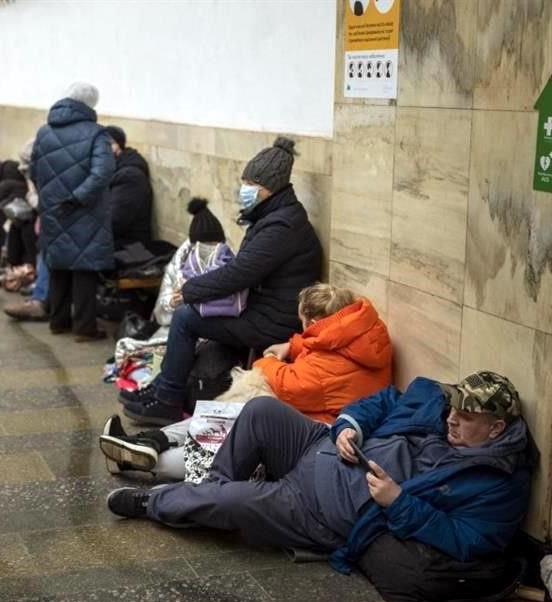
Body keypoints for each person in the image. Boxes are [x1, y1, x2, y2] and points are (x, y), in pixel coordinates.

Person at [107, 371, 536, 578]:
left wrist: (399, 501)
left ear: (496, 429)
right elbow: (382, 400)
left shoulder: (497, 483)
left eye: (464, 419)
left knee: (237, 502)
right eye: (453, 412)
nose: (451, 421)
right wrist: (351, 426)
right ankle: (208, 496)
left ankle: (158, 502)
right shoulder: (438, 407)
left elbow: (468, 540)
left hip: (320, 510)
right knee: (260, 410)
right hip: (320, 445)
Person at [122, 136, 322, 424]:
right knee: (194, 316)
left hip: (274, 321)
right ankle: (162, 388)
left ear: (269, 189)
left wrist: (192, 290)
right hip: (263, 310)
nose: (244, 190)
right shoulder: (276, 216)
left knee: (186, 317)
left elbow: (240, 273)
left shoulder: (282, 226)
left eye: (250, 185)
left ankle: (166, 399)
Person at [99, 283, 393, 478]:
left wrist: (269, 360)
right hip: (319, 418)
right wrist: (291, 345)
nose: (301, 330)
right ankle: (148, 441)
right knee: (229, 415)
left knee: (227, 437)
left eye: (303, 323)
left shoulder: (330, 364)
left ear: (316, 322)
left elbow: (291, 382)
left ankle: (137, 458)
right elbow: (317, 343)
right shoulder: (359, 335)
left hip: (319, 436)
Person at [31, 82, 116, 342]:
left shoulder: (44, 132)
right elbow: (103, 171)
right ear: (90, 105)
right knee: (84, 269)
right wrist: (78, 197)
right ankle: (84, 327)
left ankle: (58, 322)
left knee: (58, 265)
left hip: (53, 208)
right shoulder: (97, 134)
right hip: (85, 211)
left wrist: (50, 197)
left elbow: (34, 170)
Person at [104, 126, 153, 249]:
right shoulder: (113, 170)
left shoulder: (129, 177)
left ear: (116, 146)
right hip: (114, 241)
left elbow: (114, 222)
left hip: (128, 247)